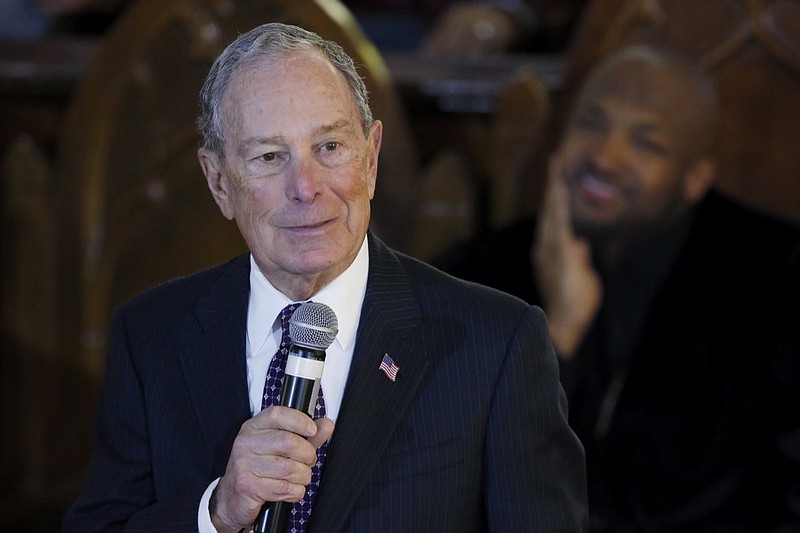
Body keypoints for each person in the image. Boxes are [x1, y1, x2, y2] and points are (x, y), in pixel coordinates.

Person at [62, 22, 587, 532]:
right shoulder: (150, 334)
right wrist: (217, 512)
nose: (306, 188)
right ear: (219, 182)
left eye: (330, 148)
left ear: (372, 157)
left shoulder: (494, 343)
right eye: (270, 157)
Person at [436, 45, 800, 531]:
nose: (605, 157)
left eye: (646, 142)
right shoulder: (480, 269)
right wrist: (558, 335)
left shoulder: (777, 276)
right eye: (592, 123)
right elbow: (443, 473)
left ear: (696, 179)